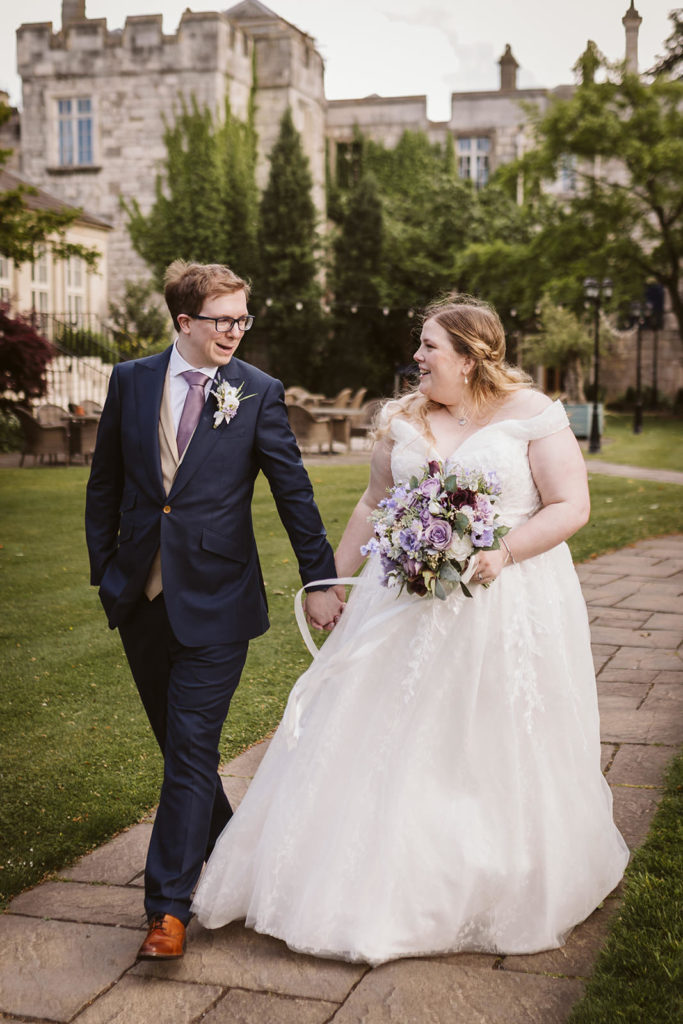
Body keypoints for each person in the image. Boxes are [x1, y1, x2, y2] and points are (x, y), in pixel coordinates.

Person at [191, 293, 629, 965]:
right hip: (399, 601)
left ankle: (488, 872)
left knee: (482, 736)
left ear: (470, 357)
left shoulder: (530, 416)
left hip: (501, 600)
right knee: (380, 731)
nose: (416, 357)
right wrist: (330, 585)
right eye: (419, 345)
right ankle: (352, 875)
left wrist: (500, 553)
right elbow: (373, 502)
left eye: (429, 347)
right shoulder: (401, 417)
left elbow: (572, 504)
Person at [85, 260, 343, 960]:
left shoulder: (255, 393)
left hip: (220, 601)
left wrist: (320, 577)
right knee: (182, 755)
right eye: (223, 319)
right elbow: (104, 481)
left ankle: (168, 910)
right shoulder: (132, 380)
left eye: (242, 318)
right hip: (139, 597)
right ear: (184, 322)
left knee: (190, 749)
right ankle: (238, 852)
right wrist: (104, 571)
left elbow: (293, 492)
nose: (235, 330)